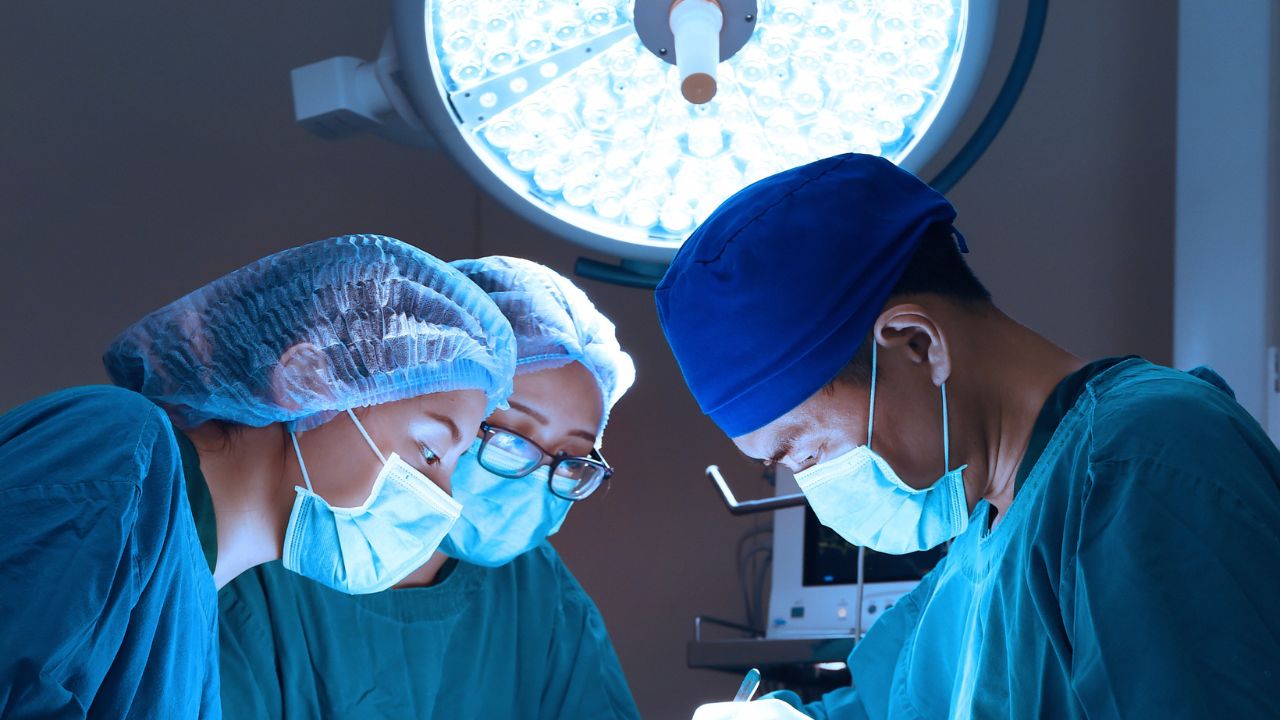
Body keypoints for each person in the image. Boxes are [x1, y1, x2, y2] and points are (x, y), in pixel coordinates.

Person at [656, 154, 1280, 719]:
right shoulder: (978, 550)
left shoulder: (1139, 468)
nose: (814, 485)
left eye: (809, 450)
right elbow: (888, 703)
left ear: (917, 344)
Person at [0, 235, 516, 719]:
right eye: (430, 451)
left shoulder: (195, 626)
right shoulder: (117, 448)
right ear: (307, 380)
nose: (445, 499)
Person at [218, 255, 641, 719]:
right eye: (510, 437)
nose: (537, 473)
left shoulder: (540, 597)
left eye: (568, 457)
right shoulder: (276, 551)